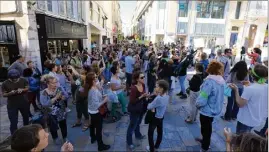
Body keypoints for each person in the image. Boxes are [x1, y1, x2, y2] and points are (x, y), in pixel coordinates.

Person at [195, 61, 226, 151]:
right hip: (215, 108)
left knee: (206, 128)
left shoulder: (209, 82)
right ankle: (205, 141)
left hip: (206, 110)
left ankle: (205, 145)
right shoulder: (221, 80)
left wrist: (198, 104)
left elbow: (204, 95)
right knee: (208, 127)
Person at [229, 64, 268, 134]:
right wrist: (250, 85)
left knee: (240, 140)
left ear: (252, 75)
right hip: (257, 119)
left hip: (246, 120)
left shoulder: (250, 89)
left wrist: (236, 90)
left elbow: (240, 104)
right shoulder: (266, 86)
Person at [40, 76, 69, 144]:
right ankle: (55, 137)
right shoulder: (44, 92)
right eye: (53, 83)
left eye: (56, 82)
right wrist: (55, 98)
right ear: (48, 84)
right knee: (53, 127)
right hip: (51, 113)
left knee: (63, 125)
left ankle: (65, 137)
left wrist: (63, 97)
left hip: (61, 111)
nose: (55, 84)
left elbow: (67, 96)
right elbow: (44, 104)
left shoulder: (59, 88)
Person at [87, 72, 110, 151]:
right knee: (99, 129)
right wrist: (105, 100)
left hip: (91, 111)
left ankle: (93, 138)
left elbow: (96, 98)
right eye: (96, 77)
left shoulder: (92, 87)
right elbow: (97, 105)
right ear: (92, 81)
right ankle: (100, 146)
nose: (97, 78)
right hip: (96, 112)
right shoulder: (93, 90)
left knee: (92, 125)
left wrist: (102, 96)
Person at [2, 69, 29, 135]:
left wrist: (22, 89)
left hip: (23, 102)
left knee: (26, 118)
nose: (15, 80)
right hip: (12, 105)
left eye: (16, 79)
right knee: (13, 122)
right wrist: (10, 93)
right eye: (13, 79)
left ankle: (27, 133)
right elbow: (4, 94)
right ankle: (14, 136)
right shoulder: (5, 83)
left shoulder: (23, 80)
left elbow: (27, 88)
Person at [127, 72, 148, 150]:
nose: (143, 79)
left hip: (141, 108)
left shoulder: (143, 85)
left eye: (144, 77)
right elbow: (132, 101)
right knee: (132, 126)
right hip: (135, 110)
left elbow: (143, 95)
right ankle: (129, 142)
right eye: (141, 77)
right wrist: (142, 96)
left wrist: (146, 96)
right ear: (137, 79)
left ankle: (138, 135)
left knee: (138, 123)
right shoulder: (133, 88)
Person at [146, 80, 169, 152]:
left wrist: (147, 100)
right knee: (160, 131)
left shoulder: (158, 99)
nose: (155, 88)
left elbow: (149, 107)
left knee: (150, 134)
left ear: (161, 89)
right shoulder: (166, 95)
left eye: (156, 86)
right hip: (161, 116)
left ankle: (151, 149)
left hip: (155, 118)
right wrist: (156, 94)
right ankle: (157, 145)